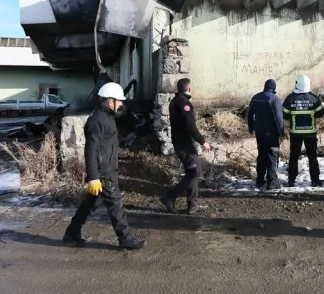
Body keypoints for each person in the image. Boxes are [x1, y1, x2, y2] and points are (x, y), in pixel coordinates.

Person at [63, 82, 147, 250]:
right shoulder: (97, 120)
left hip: (106, 168)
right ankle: (125, 239)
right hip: (103, 172)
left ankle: (72, 232)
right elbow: (91, 149)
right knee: (116, 204)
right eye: (119, 101)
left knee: (89, 204)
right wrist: (93, 177)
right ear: (110, 102)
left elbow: (120, 117)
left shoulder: (106, 116)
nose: (121, 104)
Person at [162, 78, 212, 215]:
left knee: (193, 171)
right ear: (189, 89)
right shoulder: (185, 103)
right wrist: (203, 141)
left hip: (181, 142)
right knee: (194, 171)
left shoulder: (174, 101)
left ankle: (192, 203)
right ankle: (170, 196)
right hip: (184, 143)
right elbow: (190, 126)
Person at [282, 74, 324, 187]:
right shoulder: (313, 98)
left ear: (297, 84)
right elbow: (321, 113)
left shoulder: (290, 98)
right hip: (310, 134)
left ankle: (291, 180)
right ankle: (315, 180)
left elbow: (285, 115)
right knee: (312, 157)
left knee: (294, 156)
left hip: (295, 134)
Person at [247, 79, 285, 190]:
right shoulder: (274, 99)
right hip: (272, 134)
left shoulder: (255, 97)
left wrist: (251, 128)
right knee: (273, 156)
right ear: (274, 88)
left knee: (262, 155)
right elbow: (279, 118)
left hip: (259, 133)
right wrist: (281, 132)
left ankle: (259, 180)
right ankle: (272, 181)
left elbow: (249, 114)